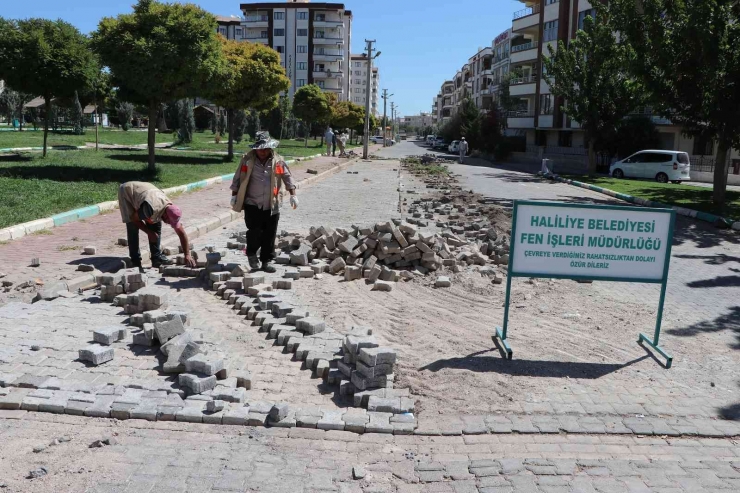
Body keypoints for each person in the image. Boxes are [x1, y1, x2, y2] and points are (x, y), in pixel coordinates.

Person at [230, 132, 298, 273]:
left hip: (271, 204)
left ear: (270, 148)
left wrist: (293, 195)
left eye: (266, 149)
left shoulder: (278, 161)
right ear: (255, 148)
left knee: (269, 233)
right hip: (252, 202)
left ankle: (266, 261)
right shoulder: (247, 160)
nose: (263, 152)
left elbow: (287, 177)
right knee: (254, 231)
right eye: (260, 149)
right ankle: (252, 254)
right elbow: (237, 178)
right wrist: (234, 195)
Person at [118, 182, 196, 269]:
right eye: (169, 222)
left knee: (156, 226)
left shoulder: (170, 208)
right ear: (165, 215)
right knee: (132, 227)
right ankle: (135, 261)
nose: (170, 224)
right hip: (128, 192)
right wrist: (148, 232)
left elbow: (181, 233)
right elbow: (133, 218)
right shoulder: (151, 208)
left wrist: (187, 255)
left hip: (147, 194)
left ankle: (156, 258)